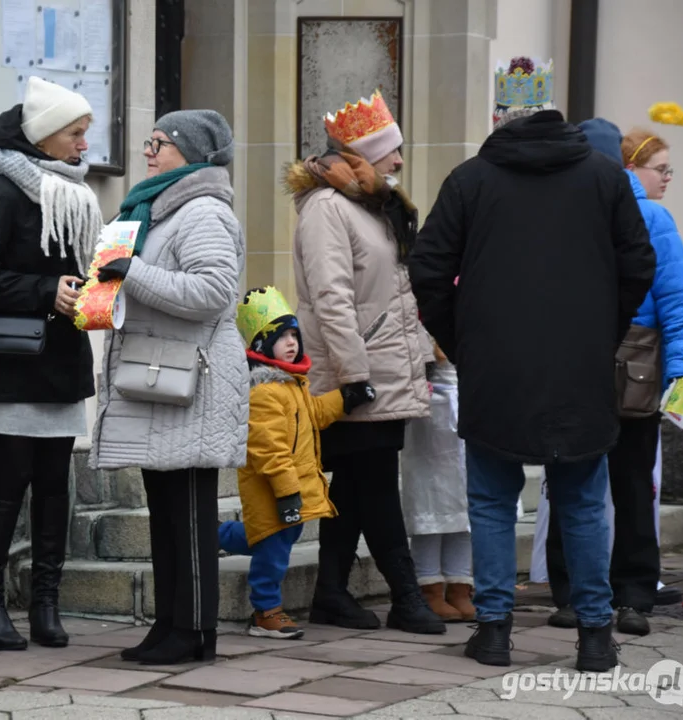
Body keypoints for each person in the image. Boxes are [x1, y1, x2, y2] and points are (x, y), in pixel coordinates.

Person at [408, 57, 656, 671]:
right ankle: (595, 636)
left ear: (500, 121)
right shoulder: (605, 178)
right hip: (580, 363)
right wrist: (602, 333)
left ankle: (493, 630)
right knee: (582, 498)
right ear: (557, 118)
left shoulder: (471, 180)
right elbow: (638, 266)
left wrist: (464, 339)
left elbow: (428, 271)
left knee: (493, 500)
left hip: (495, 365)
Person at [90, 109, 248, 665]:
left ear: (191, 152)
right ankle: (170, 622)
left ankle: (196, 631)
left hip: (192, 377)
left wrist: (128, 271)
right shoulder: (154, 208)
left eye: (159, 143)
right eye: (148, 141)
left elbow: (212, 291)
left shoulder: (202, 210)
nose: (148, 151)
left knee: (189, 511)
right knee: (165, 511)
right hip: (161, 374)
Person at [285, 90, 443, 635]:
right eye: (390, 152)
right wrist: (354, 376)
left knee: (354, 483)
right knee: (375, 483)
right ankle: (405, 594)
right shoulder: (329, 209)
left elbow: (396, 295)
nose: (399, 162)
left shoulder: (370, 205)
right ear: (360, 156)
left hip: (384, 368)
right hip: (358, 373)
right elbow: (331, 298)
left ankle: (331, 592)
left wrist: (419, 355)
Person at [541, 120, 683, 637]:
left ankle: (633, 596)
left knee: (631, 488)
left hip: (634, 367)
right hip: (575, 364)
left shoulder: (651, 215)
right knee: (571, 481)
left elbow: (676, 301)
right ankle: (572, 593)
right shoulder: (561, 213)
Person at [0, 77, 102, 651]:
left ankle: (46, 603)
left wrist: (97, 291)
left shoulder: (76, 194)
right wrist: (47, 291)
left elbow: (76, 272)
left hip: (60, 357)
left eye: (85, 133)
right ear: (44, 138)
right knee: (12, 478)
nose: (83, 145)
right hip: (13, 360)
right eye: (74, 133)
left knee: (53, 483)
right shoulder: (0, 192)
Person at [218, 286, 345, 639]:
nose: (291, 342)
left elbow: (315, 414)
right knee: (272, 553)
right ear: (261, 345)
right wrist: (288, 494)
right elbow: (269, 451)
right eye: (281, 336)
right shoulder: (262, 392)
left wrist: (343, 400)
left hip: (292, 491)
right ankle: (265, 612)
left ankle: (214, 536)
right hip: (274, 491)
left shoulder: (293, 386)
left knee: (274, 536)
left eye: (294, 335)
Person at [400, 341, 475, 622]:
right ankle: (429, 586)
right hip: (432, 402)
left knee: (466, 507)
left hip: (470, 398)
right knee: (431, 503)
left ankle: (460, 586)